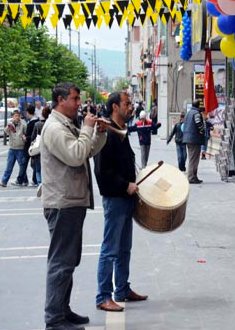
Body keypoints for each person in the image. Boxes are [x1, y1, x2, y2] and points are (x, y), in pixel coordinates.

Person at [41, 82, 107, 330]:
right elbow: (76, 155)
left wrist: (98, 133)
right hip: (63, 203)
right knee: (61, 262)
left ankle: (62, 310)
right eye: (75, 99)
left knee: (69, 261)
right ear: (60, 100)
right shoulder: (56, 128)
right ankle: (54, 318)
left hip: (71, 201)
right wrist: (87, 130)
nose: (79, 104)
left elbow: (87, 150)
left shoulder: (66, 125)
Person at [94, 91, 148, 313]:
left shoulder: (119, 131)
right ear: (115, 107)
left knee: (124, 248)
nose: (131, 107)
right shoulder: (105, 133)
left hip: (126, 198)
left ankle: (122, 289)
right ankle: (103, 296)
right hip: (116, 198)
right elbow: (101, 171)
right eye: (127, 104)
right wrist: (125, 185)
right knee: (110, 249)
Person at [0, 110, 27, 187]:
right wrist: (9, 125)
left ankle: (25, 180)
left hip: (20, 148)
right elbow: (5, 131)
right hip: (12, 148)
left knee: (21, 166)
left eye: (18, 116)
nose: (17, 117)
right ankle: (4, 181)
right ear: (13, 116)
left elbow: (26, 132)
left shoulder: (23, 123)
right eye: (15, 116)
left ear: (20, 116)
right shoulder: (10, 123)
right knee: (9, 166)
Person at [15, 104, 39, 187]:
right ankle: (34, 179)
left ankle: (20, 180)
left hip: (30, 146)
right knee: (34, 164)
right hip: (35, 146)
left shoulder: (32, 122)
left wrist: (26, 138)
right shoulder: (36, 121)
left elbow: (33, 135)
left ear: (28, 112)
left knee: (24, 163)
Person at [182, 100, 205, 184]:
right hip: (194, 138)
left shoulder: (188, 113)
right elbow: (198, 123)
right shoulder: (196, 113)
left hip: (188, 138)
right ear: (198, 106)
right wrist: (202, 130)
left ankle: (193, 176)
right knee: (194, 159)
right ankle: (191, 177)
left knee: (192, 158)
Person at [30, 106, 52, 185]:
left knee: (38, 169)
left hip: (38, 148)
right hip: (49, 148)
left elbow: (33, 137)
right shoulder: (52, 124)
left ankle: (40, 183)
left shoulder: (37, 124)